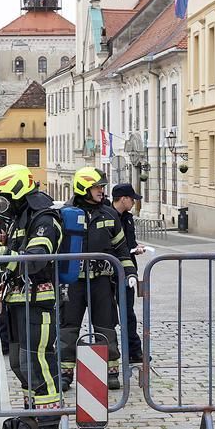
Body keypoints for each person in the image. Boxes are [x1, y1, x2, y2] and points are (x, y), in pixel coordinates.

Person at [0, 164, 63, 429]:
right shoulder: (17, 218)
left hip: (40, 301)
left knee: (39, 364)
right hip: (18, 302)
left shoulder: (44, 217)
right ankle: (33, 417)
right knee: (19, 364)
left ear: (18, 193)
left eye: (1, 197)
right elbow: (13, 256)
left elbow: (35, 257)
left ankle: (49, 428)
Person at [58, 166, 135, 391]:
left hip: (101, 280)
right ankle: (65, 372)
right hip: (73, 281)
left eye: (101, 187)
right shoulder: (65, 214)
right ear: (84, 189)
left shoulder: (109, 214)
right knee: (68, 327)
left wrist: (129, 273)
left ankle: (110, 370)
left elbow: (122, 250)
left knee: (106, 325)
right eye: (97, 187)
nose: (101, 191)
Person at [109, 182, 148, 370]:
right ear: (123, 199)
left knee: (128, 312)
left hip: (127, 271)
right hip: (109, 273)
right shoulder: (107, 216)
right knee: (109, 316)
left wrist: (135, 248)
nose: (134, 202)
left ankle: (134, 351)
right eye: (132, 199)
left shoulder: (128, 218)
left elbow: (128, 243)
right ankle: (112, 354)